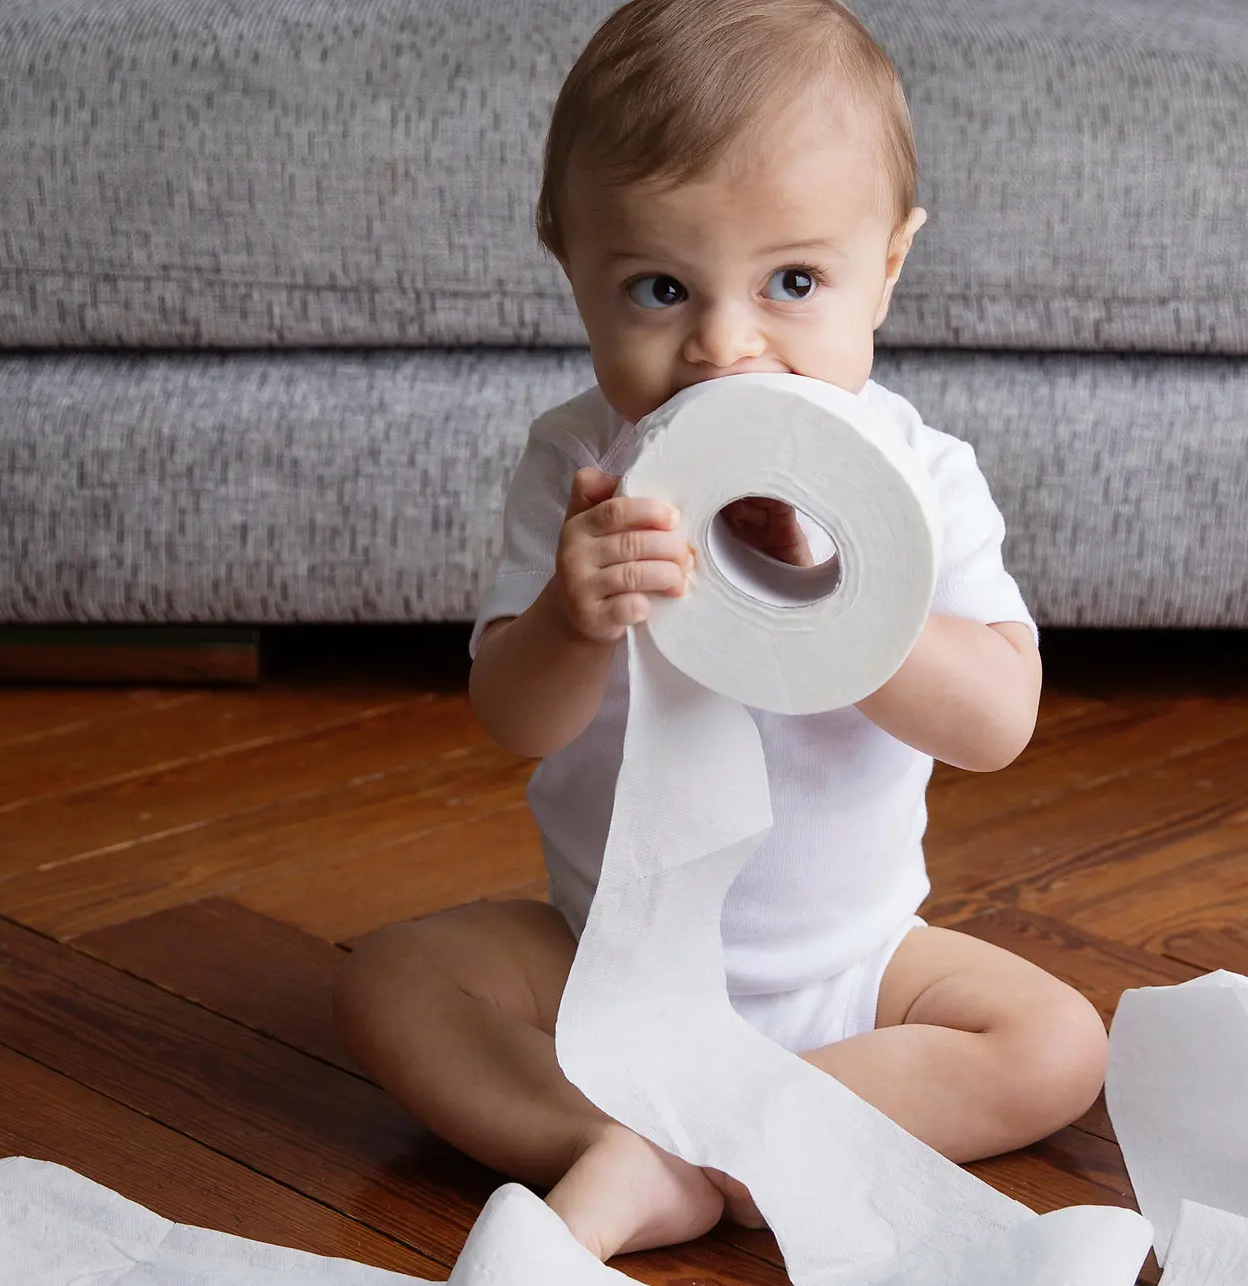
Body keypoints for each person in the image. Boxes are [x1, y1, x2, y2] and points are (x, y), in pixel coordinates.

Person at [331, 0, 1104, 1261]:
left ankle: (733, 1134)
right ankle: (620, 1137)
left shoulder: (917, 477)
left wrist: (857, 609)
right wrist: (575, 619)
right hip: (603, 961)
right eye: (657, 287)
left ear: (891, 263)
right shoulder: (582, 466)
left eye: (794, 281)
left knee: (1058, 1043)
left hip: (860, 975)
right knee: (391, 980)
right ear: (567, 259)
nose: (725, 344)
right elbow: (512, 719)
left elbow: (999, 723)